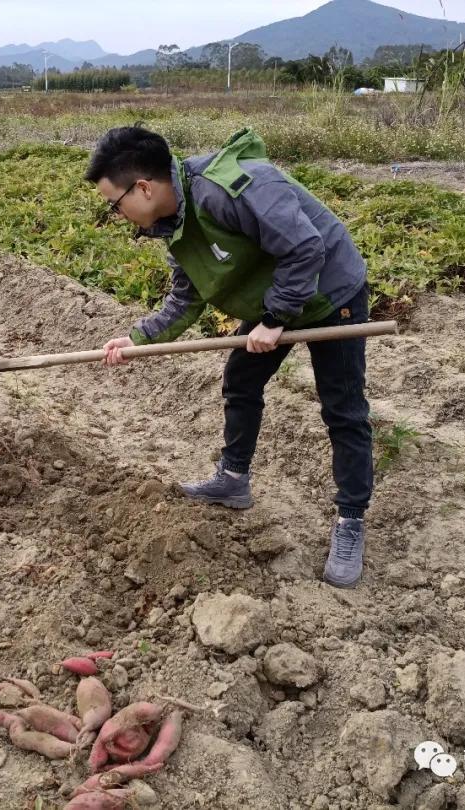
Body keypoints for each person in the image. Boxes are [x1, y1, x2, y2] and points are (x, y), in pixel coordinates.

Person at [85, 126, 373, 588]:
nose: (115, 215)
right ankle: (233, 479)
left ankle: (351, 521)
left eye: (113, 205)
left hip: (329, 293)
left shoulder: (230, 190)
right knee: (241, 379)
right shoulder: (175, 223)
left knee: (342, 409)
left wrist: (276, 318)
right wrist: (138, 339)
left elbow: (305, 248)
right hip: (277, 298)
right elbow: (186, 296)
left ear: (143, 187)